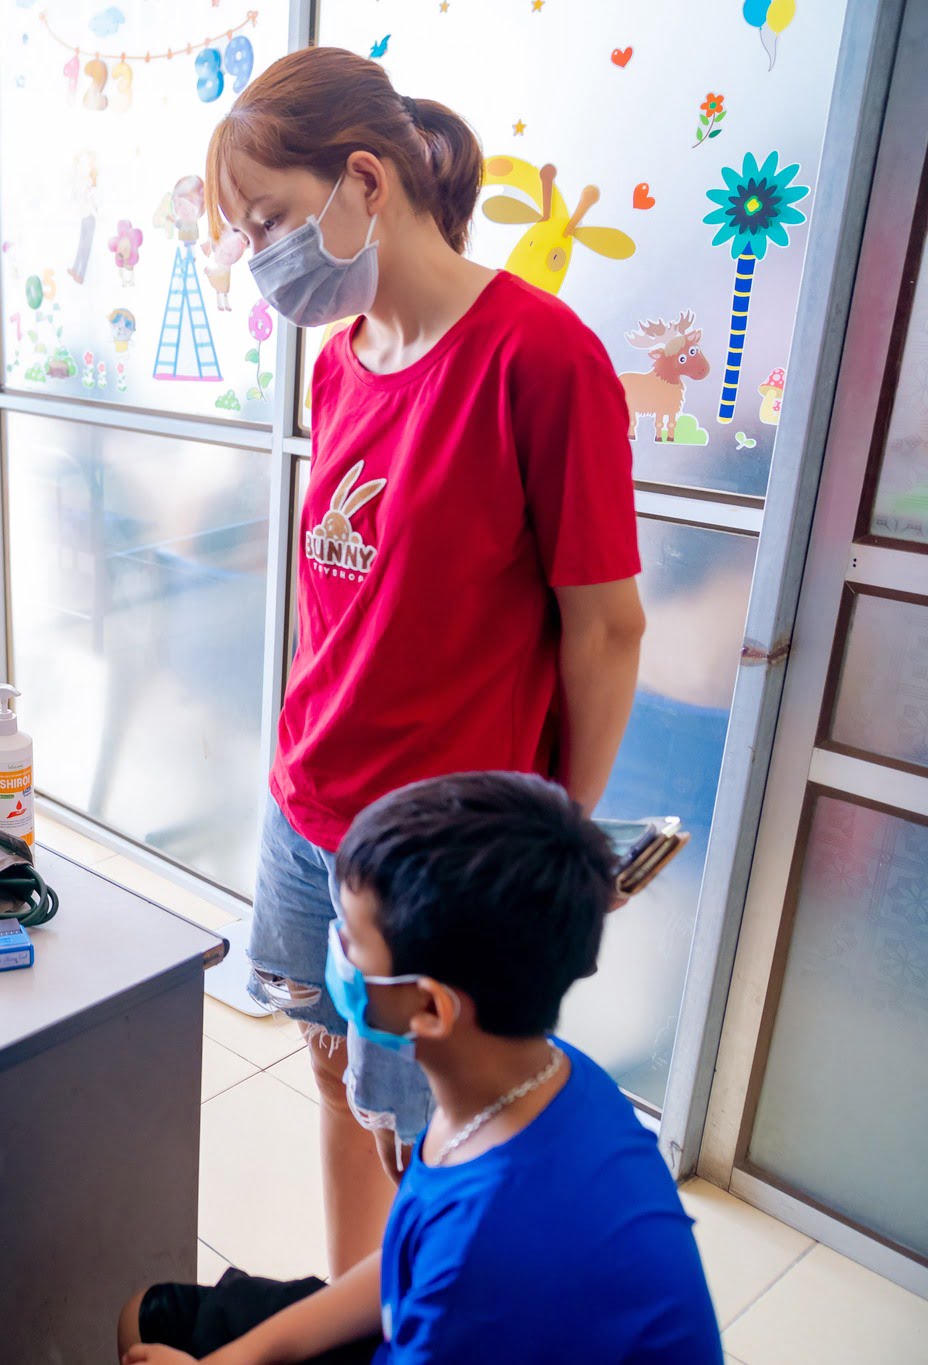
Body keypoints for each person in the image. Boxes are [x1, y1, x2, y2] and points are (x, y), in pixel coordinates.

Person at [204, 47, 647, 1269]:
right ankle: (356, 1309)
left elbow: (604, 628)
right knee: (331, 1064)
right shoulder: (338, 362)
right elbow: (340, 600)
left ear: (363, 181)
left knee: (428, 1132)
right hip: (306, 802)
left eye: (269, 221)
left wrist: (557, 834)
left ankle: (415, 1320)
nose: (261, 258)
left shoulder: (538, 358)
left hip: (433, 855)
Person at [120, 773, 720, 1364]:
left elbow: (448, 1268)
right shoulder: (540, 1078)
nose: (335, 950)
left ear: (430, 1008)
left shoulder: (485, 1250)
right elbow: (406, 1261)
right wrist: (244, 1355)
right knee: (152, 1317)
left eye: (352, 941)